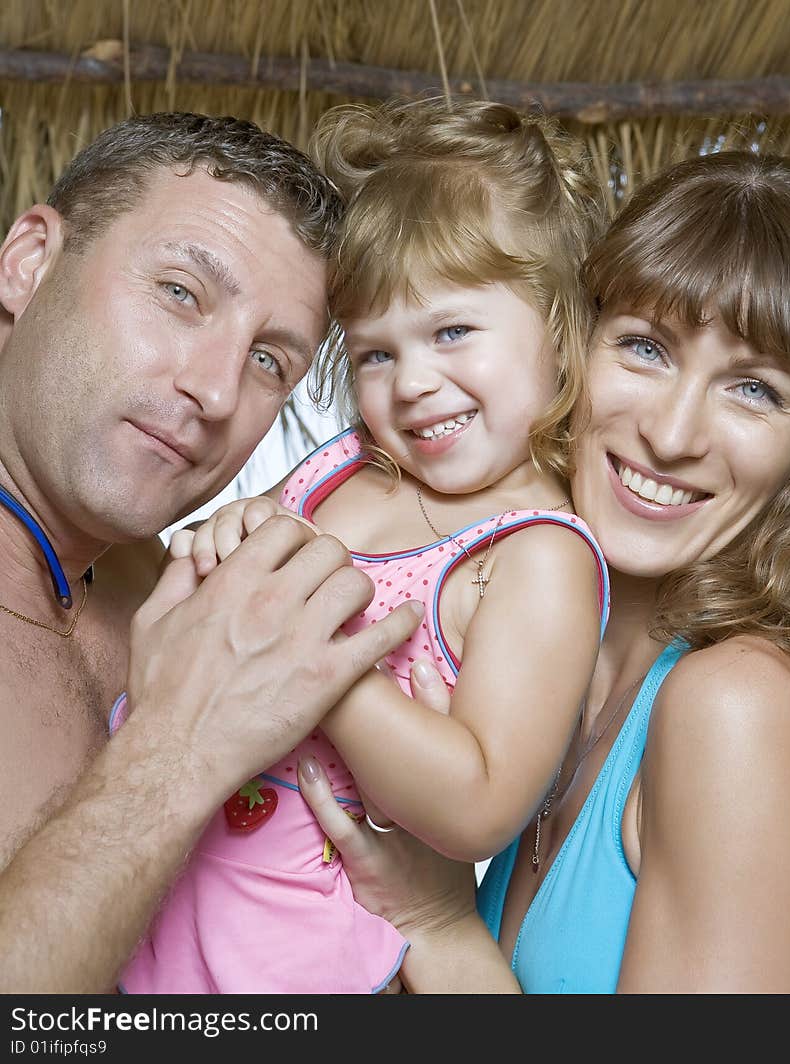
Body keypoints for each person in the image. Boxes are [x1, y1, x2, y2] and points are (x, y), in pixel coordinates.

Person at [301, 148, 790, 993]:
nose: (673, 434)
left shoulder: (747, 707)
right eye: (645, 347)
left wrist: (440, 927)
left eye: (753, 390)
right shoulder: (551, 685)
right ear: (569, 344)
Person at [113, 96, 611, 994]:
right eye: (375, 353)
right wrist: (229, 531)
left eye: (453, 331)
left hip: (292, 956)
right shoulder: (342, 468)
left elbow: (478, 804)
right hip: (145, 894)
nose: (414, 383)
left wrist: (310, 654)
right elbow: (203, 568)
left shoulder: (535, 555)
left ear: (560, 324)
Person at [0, 111, 425, 993]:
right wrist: (179, 747)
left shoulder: (183, 598)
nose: (217, 388)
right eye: (181, 293)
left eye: (271, 360)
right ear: (27, 262)